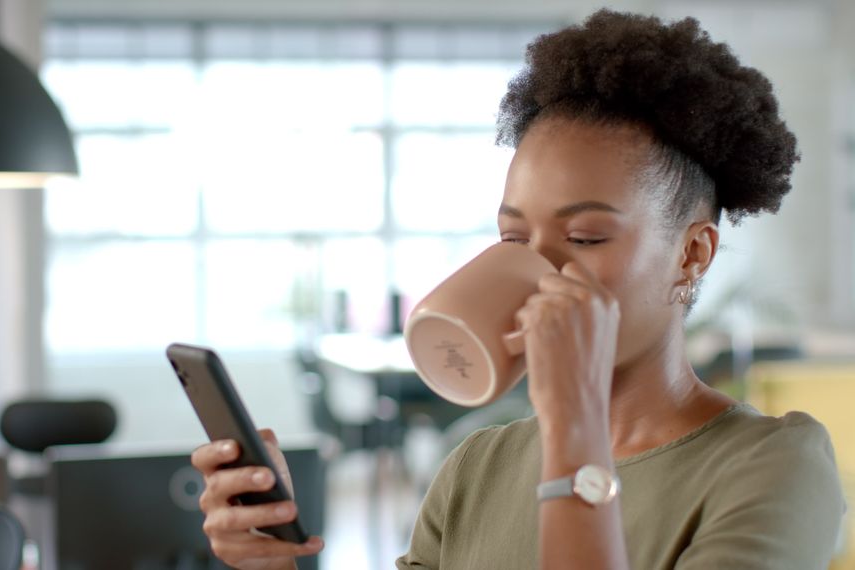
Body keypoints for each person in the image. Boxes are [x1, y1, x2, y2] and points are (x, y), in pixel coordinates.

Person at [189, 9, 845, 569]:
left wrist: (575, 425)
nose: (538, 273)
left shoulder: (775, 466)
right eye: (514, 242)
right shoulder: (478, 462)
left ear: (691, 256)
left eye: (586, 238)